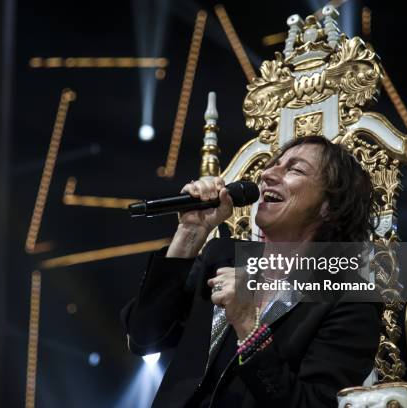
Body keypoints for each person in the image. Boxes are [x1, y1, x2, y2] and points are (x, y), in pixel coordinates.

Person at [121, 135, 381, 407]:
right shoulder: (222, 255)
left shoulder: (351, 299)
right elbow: (143, 338)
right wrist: (189, 233)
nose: (268, 174)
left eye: (295, 169)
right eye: (273, 165)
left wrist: (248, 324)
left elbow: (312, 404)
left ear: (330, 207)